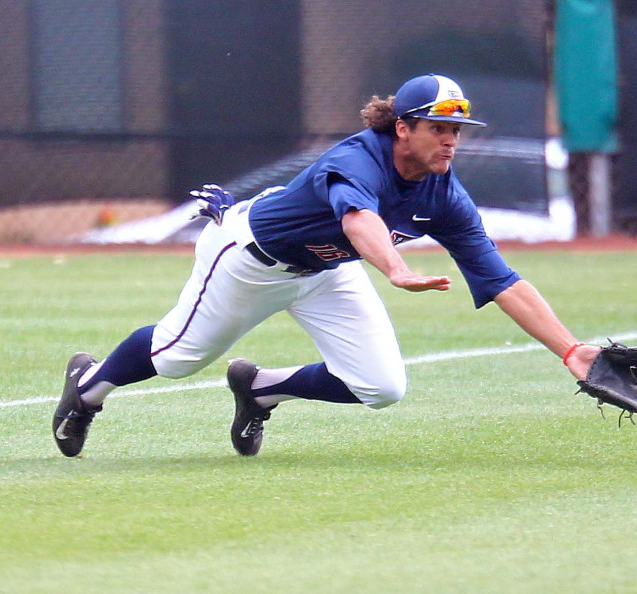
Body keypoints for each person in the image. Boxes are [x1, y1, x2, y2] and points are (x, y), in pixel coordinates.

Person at [52, 73, 602, 458]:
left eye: (456, 131)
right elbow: (358, 219)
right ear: (402, 128)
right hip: (250, 259)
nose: (451, 140)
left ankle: (262, 389)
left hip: (325, 271)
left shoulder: (444, 195)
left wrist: (570, 350)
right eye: (438, 127)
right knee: (174, 360)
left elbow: (500, 278)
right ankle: (89, 386)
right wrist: (395, 270)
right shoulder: (356, 158)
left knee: (382, 387)